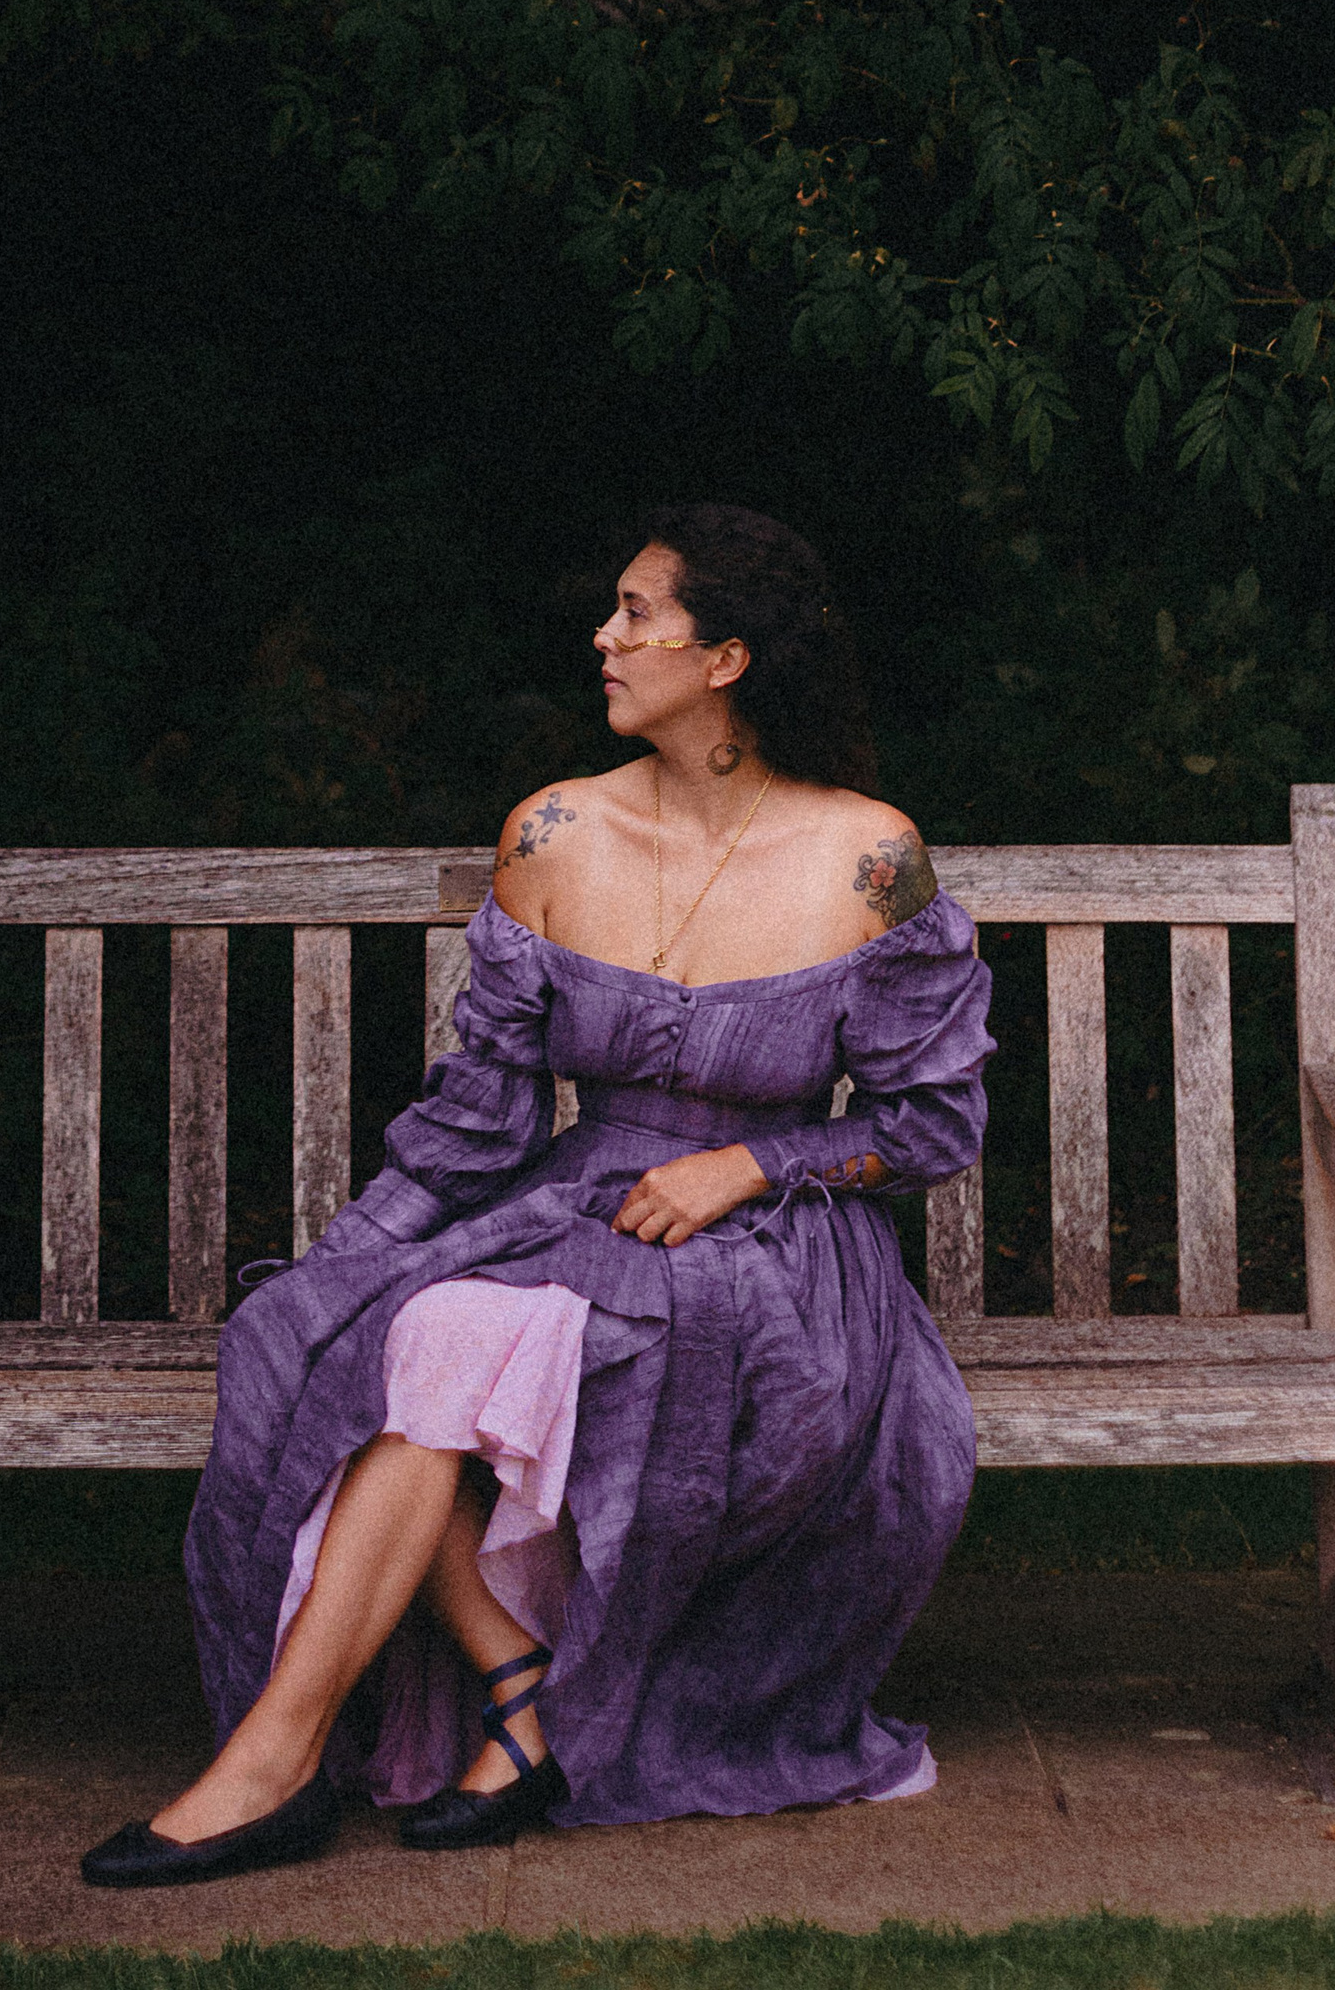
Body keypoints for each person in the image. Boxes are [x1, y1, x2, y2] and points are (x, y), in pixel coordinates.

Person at [80, 505, 994, 1889]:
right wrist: (350, 1260)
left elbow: (933, 1121)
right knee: (372, 1336)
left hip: (786, 1260)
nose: (604, 638)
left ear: (729, 655)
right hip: (585, 1215)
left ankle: (310, 1758)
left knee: (451, 1347)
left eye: (639, 614)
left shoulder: (868, 856)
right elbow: (482, 1113)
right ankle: (470, 1704)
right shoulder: (555, 831)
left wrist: (750, 1162)